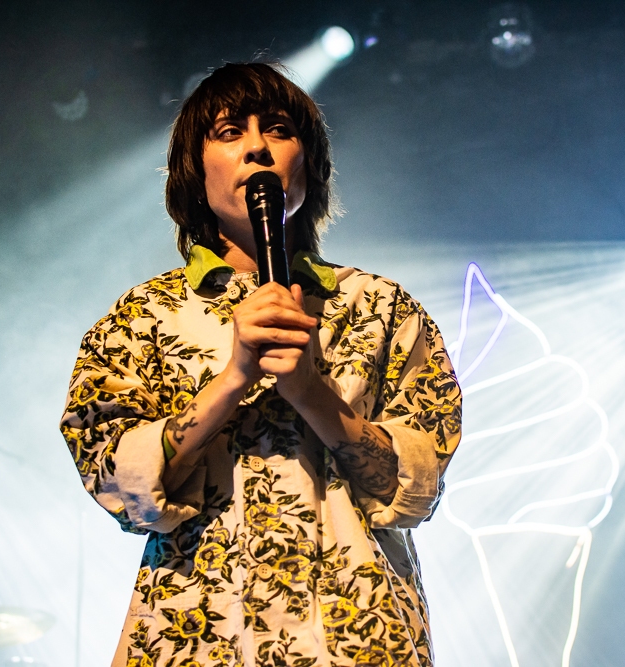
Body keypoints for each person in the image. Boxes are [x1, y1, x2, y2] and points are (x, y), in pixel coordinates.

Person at [60, 62, 462, 667]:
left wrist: (310, 391)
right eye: (228, 133)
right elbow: (117, 483)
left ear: (311, 164)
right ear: (194, 174)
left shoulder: (382, 309)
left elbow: (413, 492)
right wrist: (232, 381)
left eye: (277, 129)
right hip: (200, 632)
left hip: (356, 635)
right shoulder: (139, 319)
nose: (256, 148)